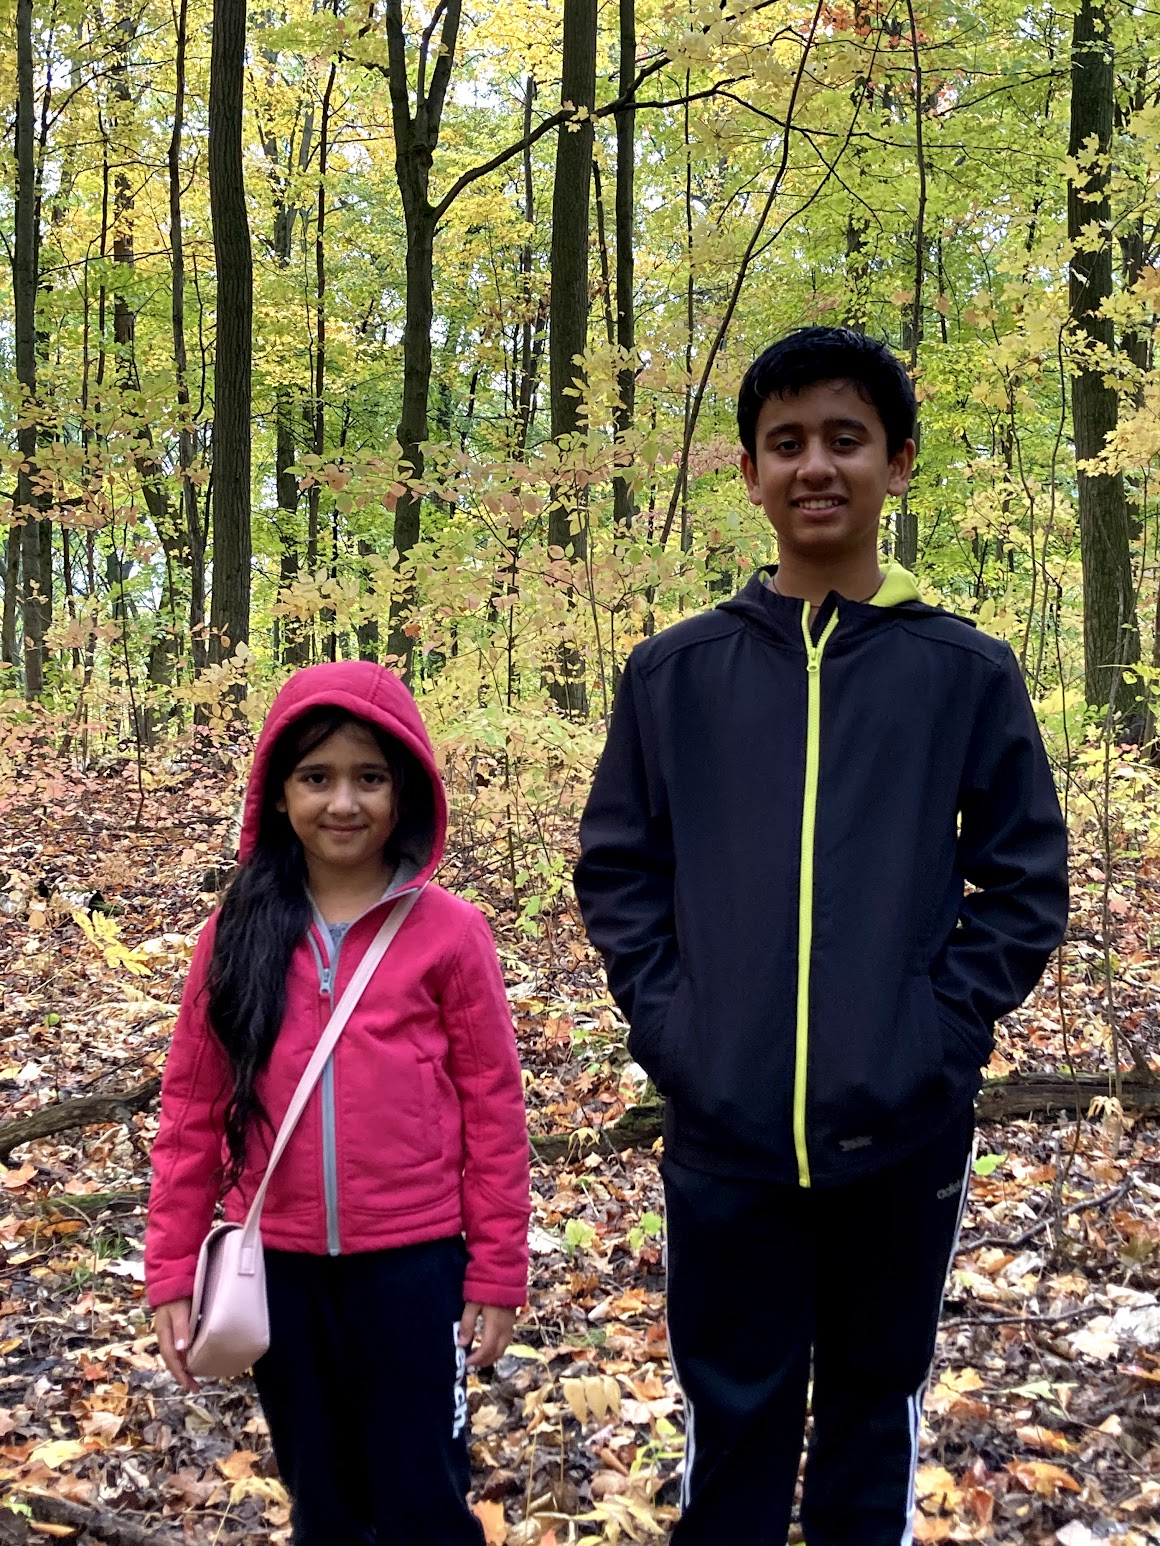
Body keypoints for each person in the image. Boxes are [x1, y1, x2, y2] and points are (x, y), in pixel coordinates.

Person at [573, 327, 1069, 1545]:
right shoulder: (675, 673)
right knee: (731, 1417)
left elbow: (1022, 878)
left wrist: (936, 1034)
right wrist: (676, 1031)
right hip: (722, 1128)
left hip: (898, 1128)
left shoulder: (959, 671)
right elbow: (619, 869)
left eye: (844, 439)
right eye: (784, 442)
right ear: (748, 472)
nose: (814, 466)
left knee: (869, 1409)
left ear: (895, 462)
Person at [146, 661, 531, 1546]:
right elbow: (191, 1110)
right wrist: (171, 1267)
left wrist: (497, 1270)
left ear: (406, 792)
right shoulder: (235, 934)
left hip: (416, 1268)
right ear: (279, 795)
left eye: (370, 778)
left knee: (423, 1498)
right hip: (275, 1270)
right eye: (316, 778)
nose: (344, 803)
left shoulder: (451, 934)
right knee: (321, 1501)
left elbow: (494, 1112)